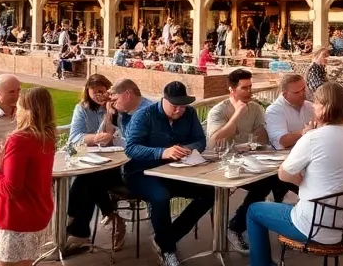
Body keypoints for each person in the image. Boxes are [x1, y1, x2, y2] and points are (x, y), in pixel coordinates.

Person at [245, 83, 343, 266]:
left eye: (316, 103)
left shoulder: (313, 138)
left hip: (315, 227)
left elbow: (283, 174)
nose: (312, 106)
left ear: (325, 107)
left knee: (254, 210)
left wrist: (302, 180)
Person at [123, 81, 215, 266]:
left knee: (208, 193)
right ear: (163, 100)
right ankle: (168, 250)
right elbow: (131, 148)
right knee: (160, 197)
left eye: (183, 105)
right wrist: (162, 152)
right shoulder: (144, 115)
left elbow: (200, 140)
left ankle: (165, 238)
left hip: (175, 171)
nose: (180, 110)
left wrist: (186, 149)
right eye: (175, 106)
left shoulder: (190, 113)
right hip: (142, 172)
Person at [206, 69, 290, 253]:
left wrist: (256, 142)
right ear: (232, 90)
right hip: (218, 165)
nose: (250, 91)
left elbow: (261, 134)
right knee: (266, 183)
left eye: (250, 87)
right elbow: (215, 141)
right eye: (244, 88)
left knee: (273, 180)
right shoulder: (219, 110)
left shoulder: (255, 108)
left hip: (245, 161)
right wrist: (236, 114)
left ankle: (236, 227)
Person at [0, 87, 57, 266]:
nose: (17, 109)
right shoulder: (47, 137)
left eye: (19, 105)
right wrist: (2, 163)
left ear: (28, 110)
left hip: (15, 218)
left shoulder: (19, 139)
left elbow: (11, 189)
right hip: (37, 213)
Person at [64, 75, 127, 251]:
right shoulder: (82, 109)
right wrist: (94, 138)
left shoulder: (119, 107)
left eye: (102, 91)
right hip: (92, 160)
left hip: (116, 164)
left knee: (86, 179)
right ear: (87, 92)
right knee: (89, 177)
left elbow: (120, 140)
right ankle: (108, 218)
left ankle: (74, 224)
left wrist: (109, 113)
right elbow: (73, 141)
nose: (98, 95)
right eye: (94, 92)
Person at [265, 74, 313, 151]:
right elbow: (282, 141)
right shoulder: (274, 110)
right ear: (284, 94)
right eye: (297, 92)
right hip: (286, 157)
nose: (302, 94)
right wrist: (305, 131)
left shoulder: (310, 106)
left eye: (303, 89)